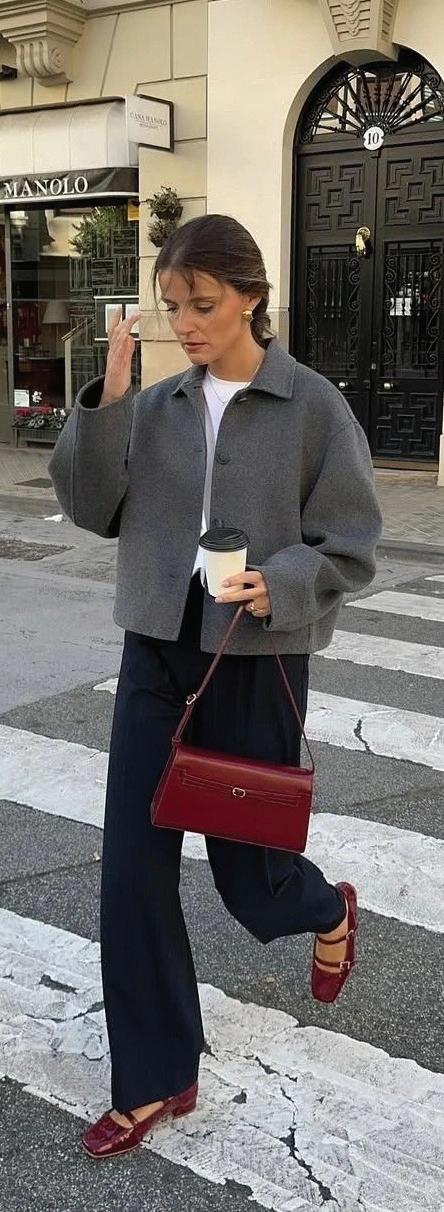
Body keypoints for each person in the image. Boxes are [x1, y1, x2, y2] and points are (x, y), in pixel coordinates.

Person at [49, 214, 382, 1160]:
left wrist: (282, 582)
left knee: (252, 877)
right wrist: (109, 399)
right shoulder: (153, 407)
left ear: (250, 297)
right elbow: (89, 507)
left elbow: (354, 543)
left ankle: (325, 909)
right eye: (172, 306)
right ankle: (157, 1077)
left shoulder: (312, 406)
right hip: (156, 653)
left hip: (258, 658)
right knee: (132, 872)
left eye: (202, 304)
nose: (185, 324)